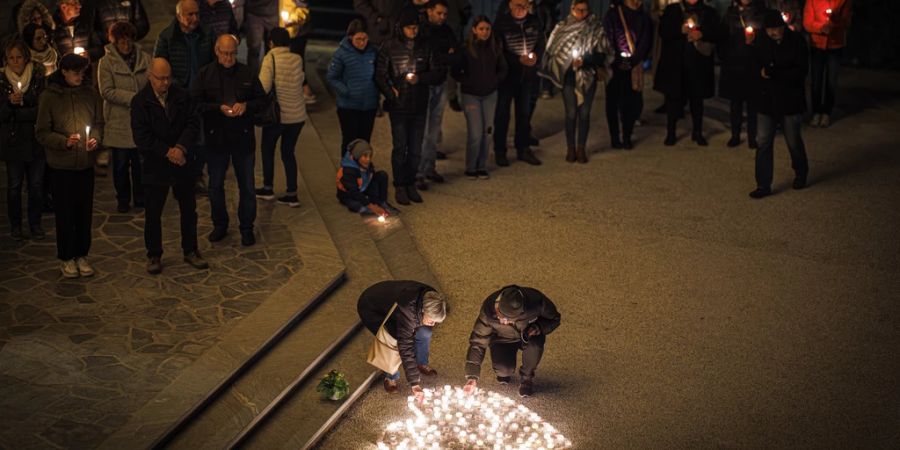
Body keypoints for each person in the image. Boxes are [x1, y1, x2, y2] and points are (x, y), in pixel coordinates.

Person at [131, 58, 208, 274]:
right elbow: (142, 137)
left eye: (168, 78)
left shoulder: (181, 96)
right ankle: (154, 254)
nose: (165, 83)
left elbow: (193, 123)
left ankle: (191, 250)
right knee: (154, 213)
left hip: (182, 161)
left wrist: (181, 148)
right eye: (160, 79)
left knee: (188, 210)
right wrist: (168, 152)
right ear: (150, 76)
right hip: (156, 165)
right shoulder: (140, 102)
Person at [193, 34, 266, 246]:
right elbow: (195, 104)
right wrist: (218, 108)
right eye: (225, 53)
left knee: (248, 187)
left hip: (243, 140)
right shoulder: (205, 75)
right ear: (217, 51)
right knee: (215, 185)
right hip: (217, 139)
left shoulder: (247, 73)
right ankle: (220, 225)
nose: (228, 58)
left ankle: (246, 228)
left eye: (232, 53)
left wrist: (246, 106)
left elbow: (261, 100)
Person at [35, 53, 103, 278]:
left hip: (84, 164)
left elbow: (98, 123)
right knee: (65, 214)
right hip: (61, 166)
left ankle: (82, 254)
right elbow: (42, 132)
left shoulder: (90, 94)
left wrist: (95, 138)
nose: (79, 76)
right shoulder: (50, 97)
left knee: (84, 213)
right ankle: (66, 257)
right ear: (63, 72)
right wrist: (63, 142)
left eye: (82, 72)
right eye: (75, 72)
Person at [374, 9, 443, 206]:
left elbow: (437, 73)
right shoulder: (389, 46)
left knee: (415, 149)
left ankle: (410, 182)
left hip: (420, 104)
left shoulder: (426, 46)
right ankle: (400, 185)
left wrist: (420, 78)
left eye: (415, 27)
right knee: (400, 147)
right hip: (399, 106)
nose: (413, 31)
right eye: (410, 28)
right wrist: (390, 92)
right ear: (401, 28)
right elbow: (380, 74)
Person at [155, 0, 214, 193]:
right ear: (179, 16)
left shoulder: (207, 35)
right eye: (190, 14)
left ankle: (196, 175)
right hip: (179, 96)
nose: (195, 18)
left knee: (202, 140)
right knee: (179, 138)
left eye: (197, 14)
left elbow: (213, 64)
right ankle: (180, 176)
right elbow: (160, 64)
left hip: (201, 96)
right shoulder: (167, 37)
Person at [748, 9, 808, 199]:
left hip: (789, 99)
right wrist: (760, 73)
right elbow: (753, 64)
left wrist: (775, 73)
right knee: (763, 142)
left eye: (776, 29)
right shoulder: (761, 41)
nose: (772, 33)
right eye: (769, 29)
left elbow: (801, 71)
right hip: (767, 100)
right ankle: (763, 184)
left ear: (783, 27)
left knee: (793, 141)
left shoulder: (796, 42)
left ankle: (801, 173)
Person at [462, 285, 561, 397]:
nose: (503, 322)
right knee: (503, 370)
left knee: (535, 346)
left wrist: (538, 327)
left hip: (529, 335)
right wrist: (472, 376)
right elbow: (478, 341)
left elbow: (555, 319)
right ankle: (504, 371)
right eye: (500, 317)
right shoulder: (488, 309)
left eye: (508, 320)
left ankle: (527, 378)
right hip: (502, 338)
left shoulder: (537, 302)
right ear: (498, 305)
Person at [540, 0, 609, 163]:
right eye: (579, 10)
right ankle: (570, 148)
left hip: (587, 76)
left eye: (585, 10)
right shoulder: (562, 27)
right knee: (571, 113)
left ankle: (581, 148)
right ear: (572, 9)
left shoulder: (596, 28)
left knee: (584, 114)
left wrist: (584, 61)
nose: (582, 14)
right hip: (569, 77)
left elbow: (602, 54)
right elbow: (552, 49)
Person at [357, 280, 448, 395]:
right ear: (423, 310)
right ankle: (391, 376)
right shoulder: (408, 312)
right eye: (431, 320)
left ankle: (421, 363)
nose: (433, 324)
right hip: (373, 308)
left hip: (395, 305)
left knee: (425, 332)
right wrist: (414, 383)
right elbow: (405, 347)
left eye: (435, 321)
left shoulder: (433, 298)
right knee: (392, 341)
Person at [98, 21, 149, 214]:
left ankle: (140, 197)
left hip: (139, 122)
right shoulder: (106, 62)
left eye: (128, 40)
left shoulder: (144, 59)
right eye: (121, 41)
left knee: (140, 165)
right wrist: (134, 98)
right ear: (115, 42)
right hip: (118, 121)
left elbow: (151, 84)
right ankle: (123, 199)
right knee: (120, 165)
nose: (126, 45)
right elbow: (107, 91)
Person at [655, 0, 720, 146]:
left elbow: (718, 32)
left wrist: (702, 33)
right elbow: (663, 31)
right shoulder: (673, 10)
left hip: (698, 64)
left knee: (697, 100)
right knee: (672, 100)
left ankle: (697, 132)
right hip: (676, 63)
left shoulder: (709, 12)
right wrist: (680, 30)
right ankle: (671, 132)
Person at [255, 27, 306, 208]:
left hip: (277, 116)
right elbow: (300, 80)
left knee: (267, 149)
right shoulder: (297, 58)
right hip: (297, 117)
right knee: (288, 153)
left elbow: (264, 87)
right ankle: (292, 194)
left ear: (271, 43)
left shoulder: (271, 58)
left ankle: (268, 188)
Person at [1, 40, 47, 240]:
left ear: (25, 58)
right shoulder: (2, 81)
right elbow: (1, 114)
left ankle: (35, 223)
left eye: (18, 57)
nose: (15, 62)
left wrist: (22, 105)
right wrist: (10, 105)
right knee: (14, 186)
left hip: (35, 140)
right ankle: (16, 225)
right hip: (13, 142)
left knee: (37, 185)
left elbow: (42, 109)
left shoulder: (37, 77)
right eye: (11, 58)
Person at [452, 15, 507, 179]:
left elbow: (503, 69)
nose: (485, 32)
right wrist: (469, 82)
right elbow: (455, 72)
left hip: (490, 94)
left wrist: (494, 80)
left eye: (487, 29)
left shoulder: (495, 47)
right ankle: (471, 167)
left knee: (487, 131)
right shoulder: (466, 49)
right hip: (471, 95)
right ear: (474, 30)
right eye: (481, 29)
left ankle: (482, 165)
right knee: (475, 133)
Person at [492, 0, 545, 167]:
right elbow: (498, 51)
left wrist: (536, 56)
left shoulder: (534, 21)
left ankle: (523, 148)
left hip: (527, 76)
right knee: (502, 114)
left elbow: (541, 43)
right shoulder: (501, 24)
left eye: (524, 5)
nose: (521, 9)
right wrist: (516, 60)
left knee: (524, 114)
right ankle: (500, 151)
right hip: (507, 77)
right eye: (517, 5)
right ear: (510, 5)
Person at [416, 0, 459, 191]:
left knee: (434, 129)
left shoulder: (446, 30)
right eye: (439, 13)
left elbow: (455, 55)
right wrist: (443, 56)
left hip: (440, 82)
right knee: (422, 130)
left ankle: (429, 167)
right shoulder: (421, 30)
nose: (442, 17)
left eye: (444, 14)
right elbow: (425, 57)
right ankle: (418, 172)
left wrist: (442, 56)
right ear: (429, 11)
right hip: (425, 85)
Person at [603, 0, 652, 151]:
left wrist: (633, 60)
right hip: (614, 66)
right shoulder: (613, 15)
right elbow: (608, 39)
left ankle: (627, 136)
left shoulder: (644, 17)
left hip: (633, 67)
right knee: (612, 102)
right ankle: (615, 137)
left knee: (630, 102)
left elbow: (645, 42)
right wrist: (618, 60)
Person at [327, 19, 379, 158]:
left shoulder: (373, 52)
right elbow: (332, 76)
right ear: (350, 37)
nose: (362, 42)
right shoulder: (341, 54)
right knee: (349, 140)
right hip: (348, 106)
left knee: (365, 141)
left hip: (369, 105)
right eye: (358, 39)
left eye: (365, 39)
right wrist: (346, 91)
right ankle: (347, 171)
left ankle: (363, 172)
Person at [719, 0, 765, 149]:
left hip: (753, 64)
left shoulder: (760, 12)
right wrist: (725, 56)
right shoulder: (730, 13)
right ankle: (735, 135)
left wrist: (755, 42)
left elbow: (766, 36)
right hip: (733, 64)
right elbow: (723, 36)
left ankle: (753, 136)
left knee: (753, 103)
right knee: (735, 103)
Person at [803, 0, 851, 128]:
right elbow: (807, 23)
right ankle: (816, 112)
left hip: (835, 45)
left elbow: (846, 22)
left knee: (831, 80)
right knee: (816, 80)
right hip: (817, 45)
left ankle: (827, 113)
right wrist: (820, 27)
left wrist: (835, 21)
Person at [336, 139, 400, 217]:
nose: (368, 159)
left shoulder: (364, 163)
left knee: (382, 175)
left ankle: (382, 202)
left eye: (370, 156)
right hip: (349, 195)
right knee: (356, 205)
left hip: (363, 187)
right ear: (356, 156)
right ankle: (366, 208)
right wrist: (371, 206)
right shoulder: (348, 171)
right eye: (365, 156)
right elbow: (353, 192)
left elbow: (371, 175)